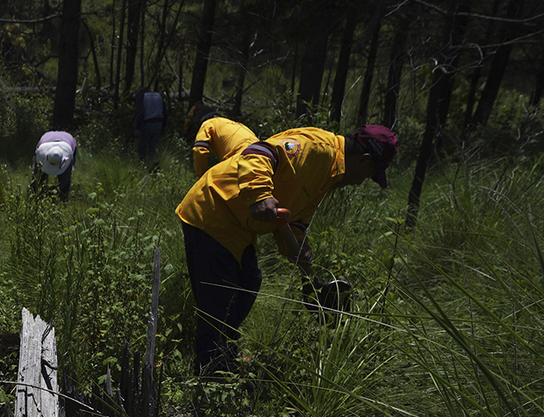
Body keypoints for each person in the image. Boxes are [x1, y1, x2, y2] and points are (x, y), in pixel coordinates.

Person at [176, 125, 397, 376]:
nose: (359, 183)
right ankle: (210, 380)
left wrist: (299, 248)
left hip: (238, 225)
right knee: (219, 302)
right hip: (213, 208)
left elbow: (294, 218)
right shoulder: (317, 148)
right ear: (364, 160)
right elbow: (258, 152)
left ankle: (223, 356)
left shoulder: (329, 175)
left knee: (249, 284)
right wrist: (259, 195)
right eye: (368, 174)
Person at [190, 114, 258, 178]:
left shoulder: (208, 123)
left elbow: (199, 149)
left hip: (240, 158)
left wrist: (201, 175)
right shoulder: (238, 125)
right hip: (263, 159)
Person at [31, 130, 77, 201]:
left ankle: (62, 199)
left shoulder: (68, 155)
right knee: (38, 177)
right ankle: (35, 197)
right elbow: (36, 173)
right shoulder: (40, 152)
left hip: (68, 139)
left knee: (65, 178)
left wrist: (59, 191)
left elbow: (66, 176)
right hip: (47, 138)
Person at [134, 87, 165, 163]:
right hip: (159, 123)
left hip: (147, 123)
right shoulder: (158, 96)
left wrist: (138, 128)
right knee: (152, 148)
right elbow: (165, 113)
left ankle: (142, 165)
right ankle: (151, 165)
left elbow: (140, 114)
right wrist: (163, 127)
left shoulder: (141, 96)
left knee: (142, 147)